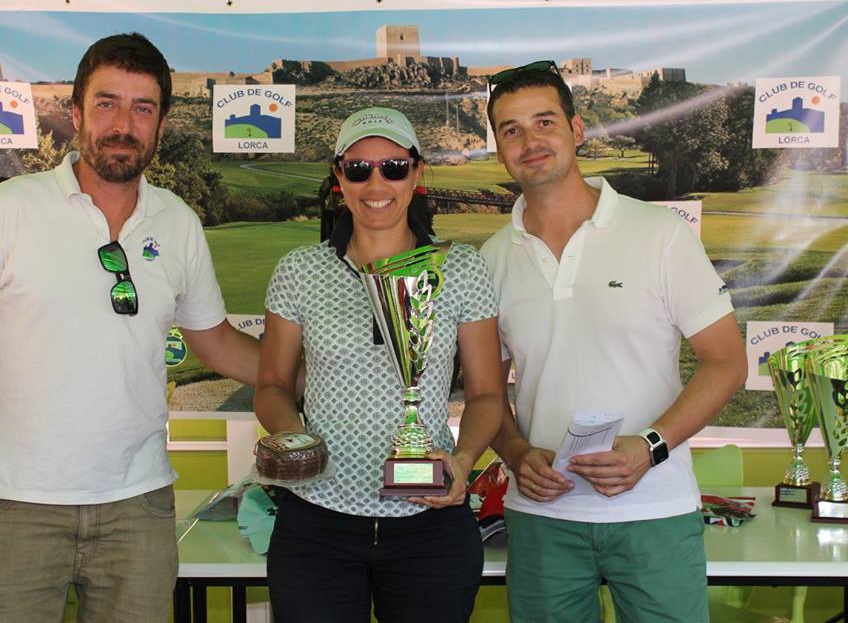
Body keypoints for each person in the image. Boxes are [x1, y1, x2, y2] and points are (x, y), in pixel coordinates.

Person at [0, 32, 261, 621]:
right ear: (75, 113)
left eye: (142, 108)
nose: (123, 124)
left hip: (138, 511)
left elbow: (217, 342)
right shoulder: (2, 212)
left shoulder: (177, 222)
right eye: (106, 103)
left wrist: (309, 374)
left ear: (161, 124)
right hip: (18, 509)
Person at [480, 61, 747, 622]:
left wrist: (650, 446)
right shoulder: (490, 259)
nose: (530, 142)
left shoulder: (661, 233)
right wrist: (517, 454)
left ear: (577, 130)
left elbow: (726, 362)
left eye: (545, 122)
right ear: (499, 150)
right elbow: (487, 393)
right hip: (544, 518)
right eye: (511, 130)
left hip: (655, 511)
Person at [255, 106, 505, 623]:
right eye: (358, 168)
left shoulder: (460, 268)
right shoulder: (300, 270)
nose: (376, 184)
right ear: (338, 177)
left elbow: (486, 394)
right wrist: (295, 440)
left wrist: (463, 462)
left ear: (416, 174)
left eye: (393, 168)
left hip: (430, 525)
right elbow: (273, 383)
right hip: (317, 523)